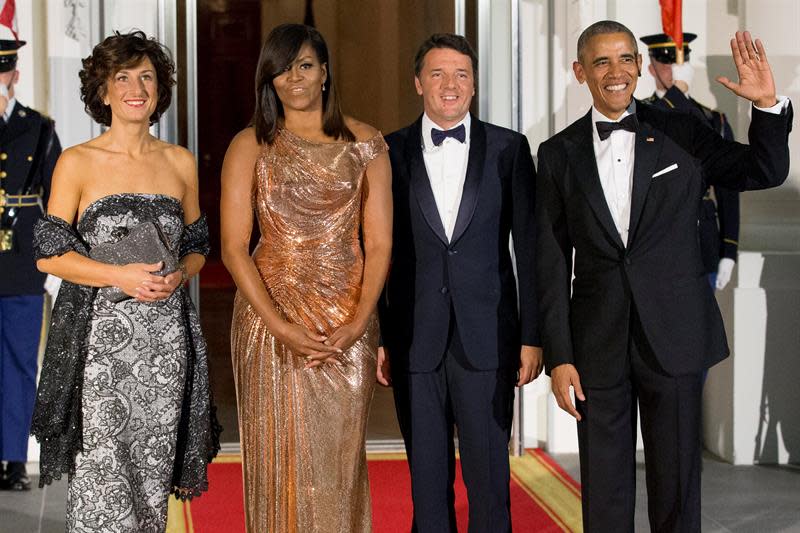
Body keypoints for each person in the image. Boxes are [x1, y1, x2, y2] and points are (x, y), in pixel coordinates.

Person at [535, 20, 792, 532]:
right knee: (604, 497)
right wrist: (559, 356)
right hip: (597, 344)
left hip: (674, 337)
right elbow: (549, 260)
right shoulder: (557, 154)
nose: (616, 72)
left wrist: (767, 108)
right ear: (579, 71)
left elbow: (762, 170)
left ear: (637, 66)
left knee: (676, 494)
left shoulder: (681, 131)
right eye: (602, 62)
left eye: (626, 59)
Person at [31, 31, 219, 532]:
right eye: (123, 78)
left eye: (147, 77)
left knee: (151, 488)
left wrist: (182, 274)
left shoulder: (179, 162)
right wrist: (119, 276)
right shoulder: (77, 161)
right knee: (102, 485)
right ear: (104, 91)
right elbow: (49, 256)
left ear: (159, 90)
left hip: (166, 349)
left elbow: (199, 246)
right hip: (100, 353)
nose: (137, 87)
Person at [220, 24, 392, 533]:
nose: (293, 78)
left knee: (338, 461)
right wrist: (280, 327)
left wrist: (360, 322)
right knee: (278, 456)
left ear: (325, 72)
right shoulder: (249, 145)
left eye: (305, 65)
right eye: (281, 68)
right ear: (267, 80)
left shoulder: (366, 144)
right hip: (268, 316)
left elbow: (378, 243)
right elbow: (233, 248)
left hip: (346, 321)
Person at [379, 33, 542, 533]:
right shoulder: (387, 151)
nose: (450, 85)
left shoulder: (510, 149)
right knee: (426, 485)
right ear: (417, 83)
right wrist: (383, 337)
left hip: (489, 339)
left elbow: (530, 250)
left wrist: (533, 336)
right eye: (438, 74)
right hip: (414, 341)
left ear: (473, 84)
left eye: (461, 74)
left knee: (490, 483)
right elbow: (380, 252)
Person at [0, 37, 61, 491]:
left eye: (2, 72)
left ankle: (14, 459)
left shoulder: (38, 127)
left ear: (14, 75)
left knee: (21, 362)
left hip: (22, 258)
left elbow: (57, 198)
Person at [641, 32, 739, 291]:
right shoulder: (639, 115)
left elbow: (728, 189)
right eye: (666, 61)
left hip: (700, 243)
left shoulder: (712, 120)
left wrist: (729, 248)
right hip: (653, 242)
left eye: (679, 61)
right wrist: (677, 94)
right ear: (651, 67)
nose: (673, 68)